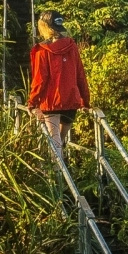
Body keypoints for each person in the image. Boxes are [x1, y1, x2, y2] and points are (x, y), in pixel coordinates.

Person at [28, 9, 91, 153]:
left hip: (51, 103)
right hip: (71, 100)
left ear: (44, 26)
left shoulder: (41, 51)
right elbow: (80, 75)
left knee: (54, 143)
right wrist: (85, 102)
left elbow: (39, 80)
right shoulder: (72, 46)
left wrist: (32, 102)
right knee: (59, 142)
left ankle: (57, 174)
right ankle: (62, 167)